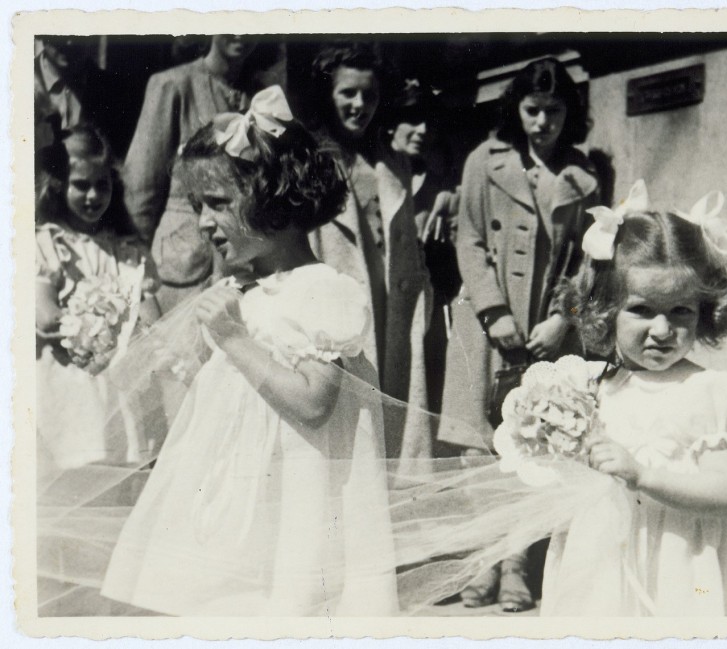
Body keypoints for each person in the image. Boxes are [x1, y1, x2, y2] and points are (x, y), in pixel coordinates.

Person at [99, 86, 399, 615]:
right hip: (243, 500)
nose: (204, 222)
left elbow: (313, 403)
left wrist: (235, 339)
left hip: (298, 507)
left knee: (291, 607)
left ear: (274, 198)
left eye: (217, 204)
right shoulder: (252, 291)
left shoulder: (323, 289)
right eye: (197, 207)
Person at [541, 181, 727, 616]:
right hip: (602, 559)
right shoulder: (593, 386)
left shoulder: (710, 390)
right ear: (605, 308)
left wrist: (642, 475)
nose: (662, 330)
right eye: (641, 310)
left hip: (678, 563)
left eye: (681, 312)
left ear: (705, 312)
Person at [439, 57, 600, 611]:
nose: (542, 122)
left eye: (554, 111)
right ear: (516, 109)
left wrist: (562, 319)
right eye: (532, 110)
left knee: (540, 446)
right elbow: (471, 241)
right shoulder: (485, 161)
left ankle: (516, 567)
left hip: (547, 333)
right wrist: (494, 312)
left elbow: (589, 258)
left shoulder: (585, 173)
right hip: (490, 328)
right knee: (481, 453)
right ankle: (484, 561)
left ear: (568, 114)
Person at [307, 44, 433, 466]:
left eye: (370, 95)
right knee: (347, 427)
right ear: (328, 94)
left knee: (394, 418)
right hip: (337, 308)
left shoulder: (393, 161)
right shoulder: (310, 159)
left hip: (392, 309)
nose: (359, 104)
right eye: (348, 93)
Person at [35, 124, 161, 474]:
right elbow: (45, 317)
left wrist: (134, 329)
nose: (93, 196)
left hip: (123, 387)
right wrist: (94, 324)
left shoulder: (129, 253)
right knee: (77, 478)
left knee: (122, 477)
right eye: (81, 185)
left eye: (101, 185)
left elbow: (153, 320)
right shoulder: (47, 245)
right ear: (59, 185)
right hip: (71, 386)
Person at [122, 35, 258, 314]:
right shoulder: (173, 85)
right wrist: (135, 275)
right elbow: (139, 191)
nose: (242, 32)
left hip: (241, 267)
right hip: (180, 269)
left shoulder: (261, 97)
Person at [375, 77, 461, 433]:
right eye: (413, 119)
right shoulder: (377, 172)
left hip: (427, 310)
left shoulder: (439, 184)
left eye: (429, 122)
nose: (423, 130)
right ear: (391, 123)